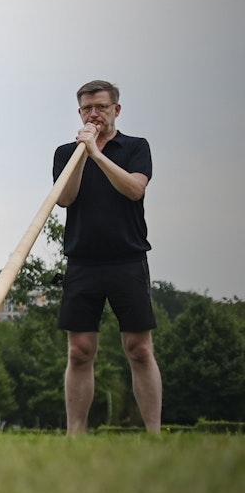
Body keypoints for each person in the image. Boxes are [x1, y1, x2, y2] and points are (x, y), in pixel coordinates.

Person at [54, 80, 160, 435]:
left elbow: (135, 189)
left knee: (139, 348)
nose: (94, 114)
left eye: (101, 106)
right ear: (79, 112)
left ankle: (155, 433)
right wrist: (83, 154)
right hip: (82, 261)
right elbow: (64, 198)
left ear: (117, 109)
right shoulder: (66, 153)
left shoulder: (136, 147)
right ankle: (75, 435)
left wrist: (98, 155)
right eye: (87, 108)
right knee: (79, 351)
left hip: (127, 259)